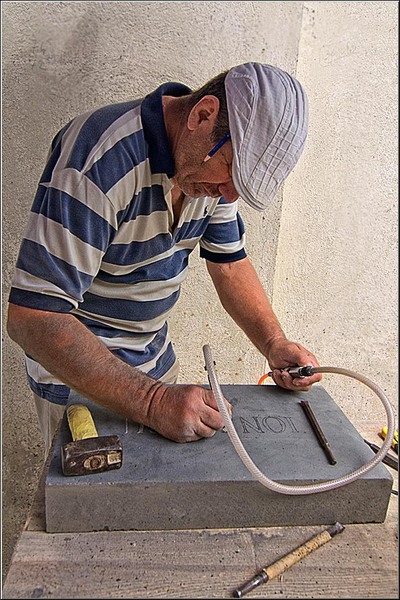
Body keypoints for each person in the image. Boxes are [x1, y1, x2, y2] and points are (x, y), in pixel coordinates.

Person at [7, 62, 322, 453]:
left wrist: (273, 341)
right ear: (203, 115)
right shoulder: (100, 159)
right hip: (80, 387)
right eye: (231, 172)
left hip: (154, 368)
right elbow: (34, 317)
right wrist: (153, 403)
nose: (228, 195)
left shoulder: (209, 175)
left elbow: (229, 263)